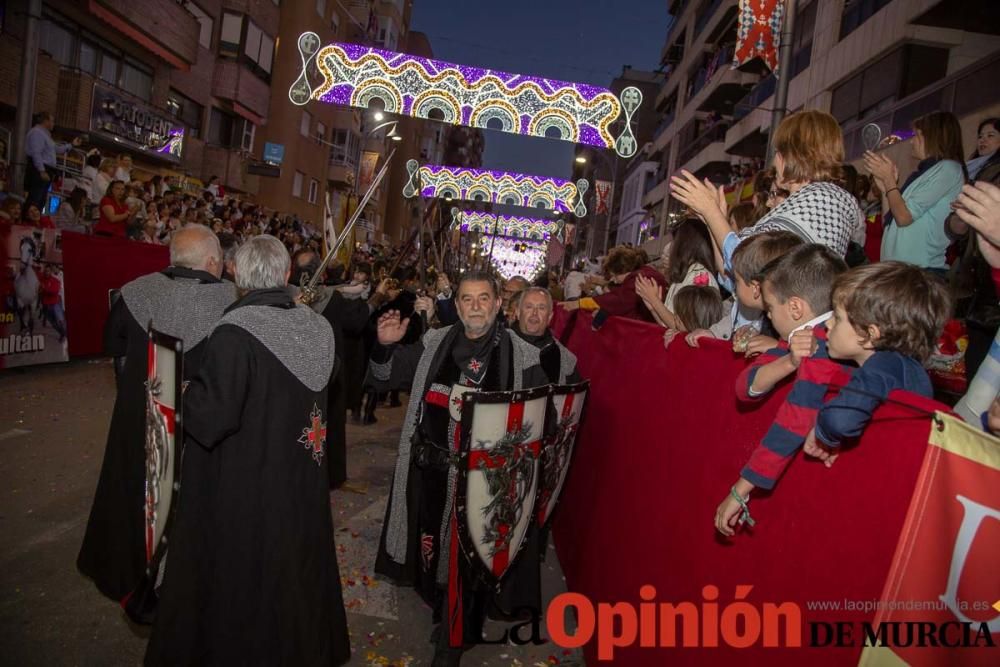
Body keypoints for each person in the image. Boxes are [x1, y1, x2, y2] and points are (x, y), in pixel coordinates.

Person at [145, 235, 350, 666]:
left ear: (235, 273)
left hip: (249, 483)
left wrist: (182, 390)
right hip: (301, 478)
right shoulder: (318, 326)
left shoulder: (234, 333)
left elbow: (212, 419)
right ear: (287, 274)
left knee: (247, 578)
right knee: (293, 572)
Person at [370, 271, 554, 665]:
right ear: (456, 306)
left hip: (484, 484)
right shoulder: (435, 342)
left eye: (483, 298)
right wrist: (385, 348)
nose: (475, 307)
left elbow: (542, 424)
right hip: (432, 473)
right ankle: (448, 615)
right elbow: (387, 377)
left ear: (498, 304)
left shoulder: (522, 356)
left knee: (467, 567)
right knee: (431, 554)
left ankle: (453, 640)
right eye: (467, 299)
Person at [77, 226, 235, 602]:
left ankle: (124, 568)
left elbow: (111, 341)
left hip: (139, 411)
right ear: (213, 262)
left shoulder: (136, 290)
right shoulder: (230, 298)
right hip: (193, 419)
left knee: (133, 487)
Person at [714, 245, 850, 537]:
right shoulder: (800, 342)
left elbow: (793, 422)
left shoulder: (820, 345)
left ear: (796, 308)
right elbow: (745, 387)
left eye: (771, 309)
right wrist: (787, 359)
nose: (770, 317)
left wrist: (741, 489)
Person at [803, 262, 951, 466]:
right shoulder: (906, 367)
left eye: (837, 317)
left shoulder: (882, 368)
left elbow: (840, 420)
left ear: (870, 334)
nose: (828, 324)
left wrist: (823, 430)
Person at [672, 110, 862, 261]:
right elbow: (734, 278)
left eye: (778, 153)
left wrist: (711, 212)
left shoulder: (820, 202)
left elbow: (744, 262)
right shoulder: (813, 201)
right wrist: (713, 217)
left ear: (796, 155)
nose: (774, 163)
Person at [290, 249, 373, 488]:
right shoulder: (330, 298)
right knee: (327, 422)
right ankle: (329, 476)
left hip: (307, 367)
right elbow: (355, 322)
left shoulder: (287, 295)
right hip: (325, 367)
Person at [865, 111, 966, 270]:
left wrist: (890, 182)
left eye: (917, 135)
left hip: (920, 270)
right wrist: (886, 188)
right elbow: (889, 221)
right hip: (898, 269)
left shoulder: (948, 169)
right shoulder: (921, 174)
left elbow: (904, 217)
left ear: (934, 137)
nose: (912, 142)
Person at [636, 219, 718, 331]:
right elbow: (668, 325)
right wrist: (653, 307)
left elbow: (686, 326)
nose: (671, 246)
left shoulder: (700, 275)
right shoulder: (684, 274)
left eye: (675, 240)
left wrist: (654, 300)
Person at [562, 246, 668, 323]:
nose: (614, 280)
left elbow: (616, 300)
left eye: (615, 276)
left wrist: (579, 303)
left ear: (623, 270)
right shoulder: (642, 274)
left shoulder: (639, 278)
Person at [509, 286, 581, 384]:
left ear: (550, 317)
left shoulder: (565, 358)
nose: (534, 313)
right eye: (529, 307)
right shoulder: (498, 345)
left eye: (541, 308)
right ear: (517, 312)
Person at [24, 111, 82, 210]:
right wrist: (41, 170)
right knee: (35, 199)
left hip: (46, 169)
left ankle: (34, 222)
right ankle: (28, 222)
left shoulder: (46, 135)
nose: (53, 124)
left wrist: (71, 145)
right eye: (52, 121)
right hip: (39, 169)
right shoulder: (37, 132)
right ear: (45, 121)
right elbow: (36, 153)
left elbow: (57, 149)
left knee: (41, 199)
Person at [39, 264, 66, 343]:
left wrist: (45, 288)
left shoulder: (56, 281)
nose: (46, 272)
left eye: (48, 271)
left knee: (60, 320)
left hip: (55, 304)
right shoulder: (42, 279)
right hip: (46, 305)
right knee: (53, 323)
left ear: (50, 272)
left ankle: (64, 333)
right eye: (45, 271)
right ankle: (62, 333)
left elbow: (54, 292)